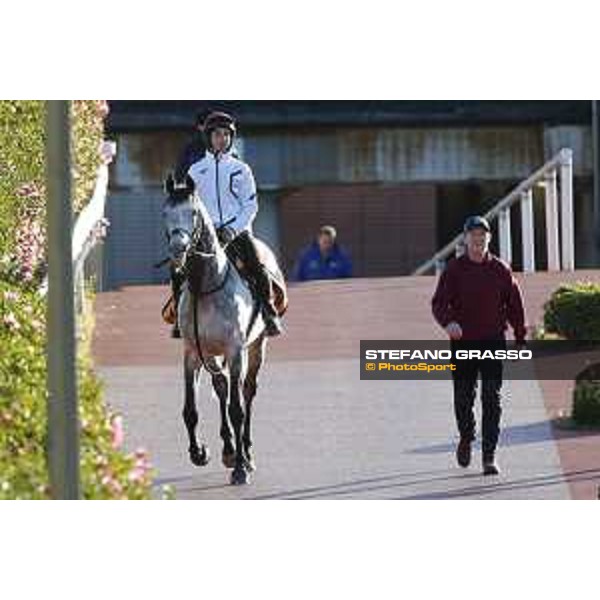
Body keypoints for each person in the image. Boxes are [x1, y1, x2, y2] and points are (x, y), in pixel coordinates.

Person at [431, 215, 526, 476]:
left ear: (489, 238)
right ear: (466, 239)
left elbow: (515, 305)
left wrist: (519, 337)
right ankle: (466, 436)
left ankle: (489, 456)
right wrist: (448, 323)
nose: (478, 238)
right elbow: (439, 303)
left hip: (493, 340)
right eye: (473, 234)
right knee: (463, 396)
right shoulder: (454, 270)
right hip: (463, 341)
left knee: (491, 397)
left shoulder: (500, 270)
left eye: (482, 234)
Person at [186, 111, 283, 337]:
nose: (223, 139)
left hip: (236, 232)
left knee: (257, 269)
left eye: (227, 135)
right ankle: (179, 317)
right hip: (206, 236)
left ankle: (269, 313)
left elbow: (250, 206)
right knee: (182, 271)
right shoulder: (195, 171)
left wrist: (232, 229)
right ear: (208, 137)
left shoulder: (242, 169)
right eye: (218, 134)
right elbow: (191, 207)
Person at [174, 109, 210, 182]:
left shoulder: (225, 146)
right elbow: (180, 174)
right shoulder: (191, 148)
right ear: (200, 127)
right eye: (208, 125)